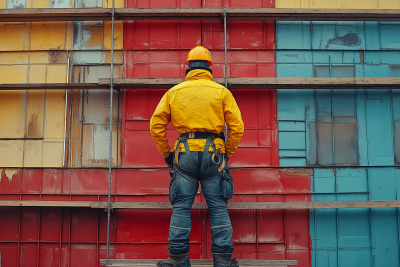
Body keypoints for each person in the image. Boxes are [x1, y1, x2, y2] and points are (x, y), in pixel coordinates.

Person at [150, 46, 244, 267]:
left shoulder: (174, 92)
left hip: (185, 154)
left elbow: (156, 125)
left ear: (187, 67)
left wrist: (168, 156)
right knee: (218, 207)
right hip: (214, 155)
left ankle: (178, 260)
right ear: (210, 67)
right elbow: (237, 127)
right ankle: (223, 261)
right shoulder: (221, 92)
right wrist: (226, 154)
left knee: (182, 206)